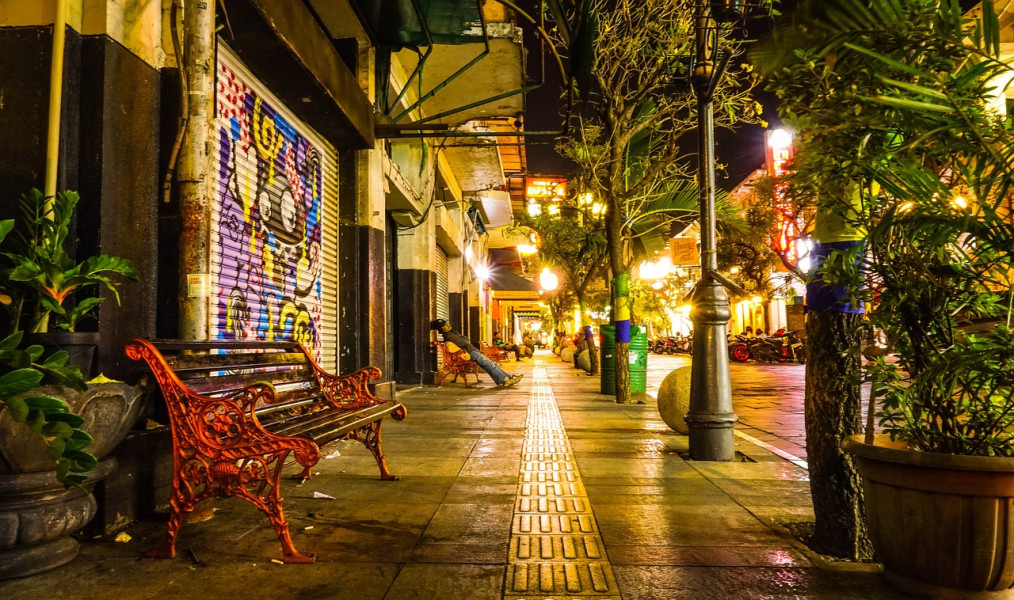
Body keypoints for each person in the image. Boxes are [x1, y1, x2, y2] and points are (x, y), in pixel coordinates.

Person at [431, 319, 523, 387]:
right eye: (446, 324)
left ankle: (508, 378)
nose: (448, 325)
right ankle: (505, 380)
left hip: (472, 351)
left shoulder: (451, 333)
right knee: (490, 364)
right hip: (471, 352)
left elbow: (465, 339)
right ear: (443, 328)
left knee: (491, 364)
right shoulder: (450, 335)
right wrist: (464, 338)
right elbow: (465, 340)